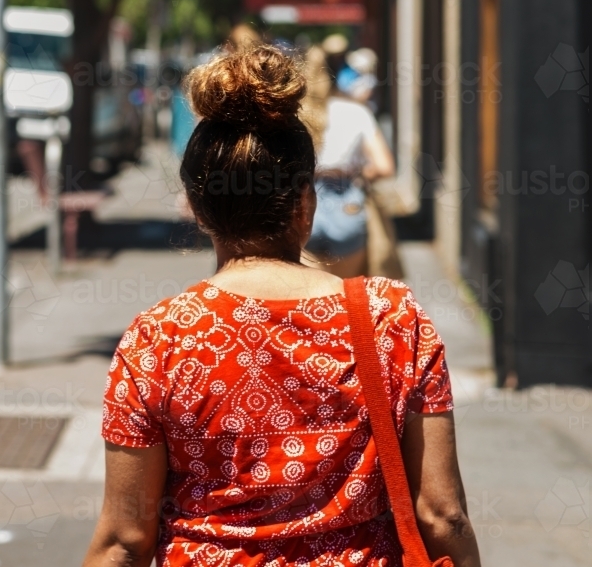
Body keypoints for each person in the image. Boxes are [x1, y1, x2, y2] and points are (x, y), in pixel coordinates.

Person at [82, 45, 481, 567]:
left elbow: (124, 540)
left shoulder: (159, 338)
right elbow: (441, 513)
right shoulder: (391, 318)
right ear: (305, 203)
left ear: (199, 209)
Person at [302, 45, 395, 278]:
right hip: (346, 205)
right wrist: (360, 174)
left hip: (302, 205)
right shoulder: (356, 112)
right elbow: (385, 167)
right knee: (346, 293)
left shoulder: (297, 115)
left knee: (310, 300)